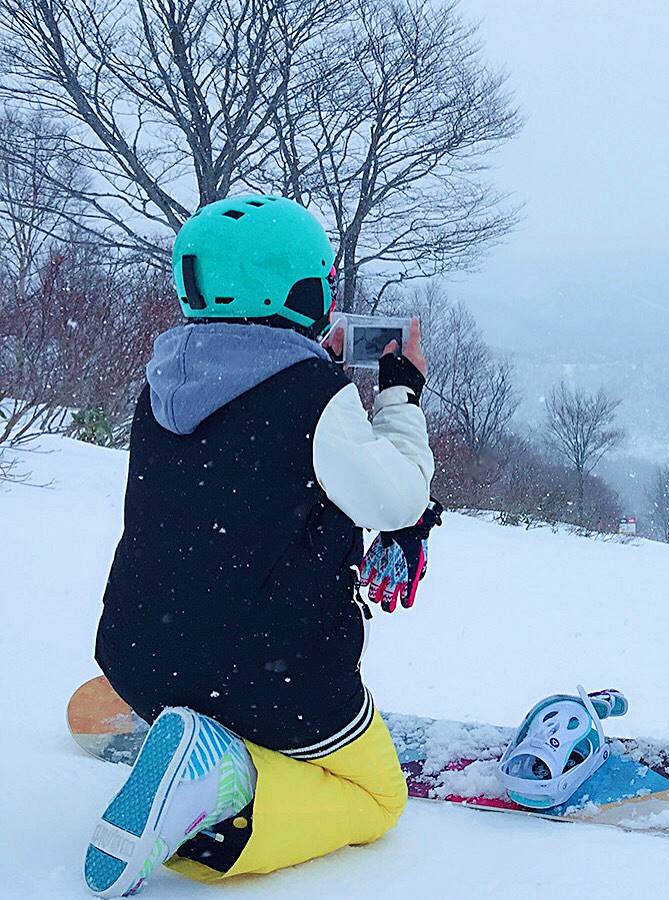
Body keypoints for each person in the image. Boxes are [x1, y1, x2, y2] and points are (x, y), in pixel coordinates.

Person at [85, 195, 438, 898]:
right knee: (378, 800)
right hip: (271, 679)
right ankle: (217, 796)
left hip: (138, 658)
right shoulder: (312, 395)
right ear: (306, 290)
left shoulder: (159, 387)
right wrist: (401, 393)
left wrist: (311, 368)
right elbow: (398, 497)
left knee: (202, 636)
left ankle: (185, 749)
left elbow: (236, 466)